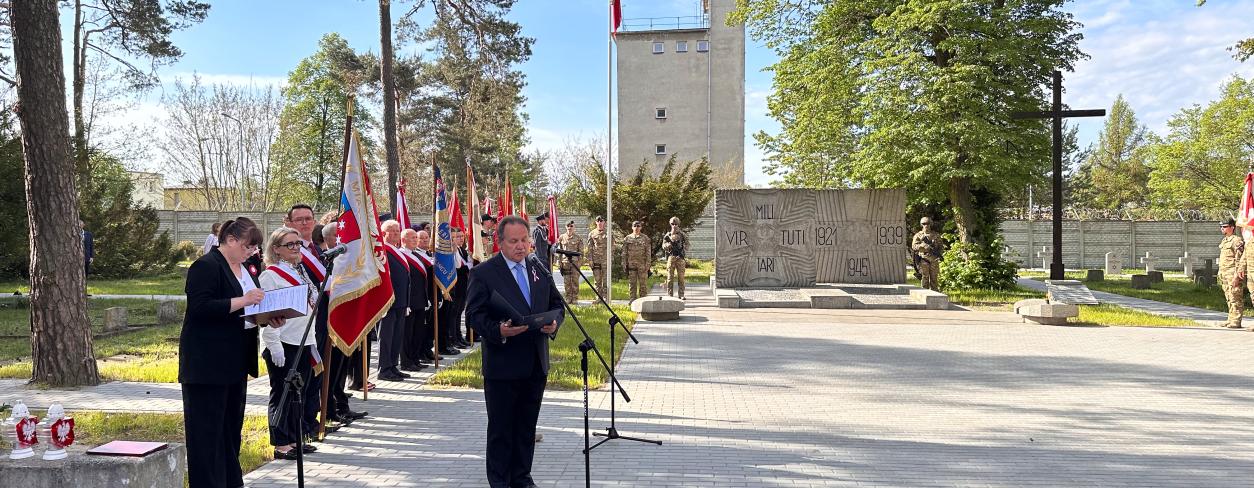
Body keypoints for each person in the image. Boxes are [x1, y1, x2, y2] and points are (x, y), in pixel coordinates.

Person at [179, 217, 281, 488]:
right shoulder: (206, 266)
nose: (252, 252)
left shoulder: (245, 269)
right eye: (248, 246)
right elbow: (200, 309)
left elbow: (244, 312)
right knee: (206, 435)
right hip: (207, 364)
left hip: (234, 362)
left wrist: (266, 316)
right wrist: (245, 300)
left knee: (229, 432)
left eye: (255, 248)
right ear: (231, 240)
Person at [465, 215, 563, 488]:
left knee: (526, 427)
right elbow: (473, 316)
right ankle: (499, 482)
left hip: (535, 363)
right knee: (501, 430)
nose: (521, 247)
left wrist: (554, 323)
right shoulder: (484, 273)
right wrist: (498, 330)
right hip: (503, 365)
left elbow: (557, 303)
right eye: (514, 241)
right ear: (500, 242)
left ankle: (522, 478)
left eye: (524, 240)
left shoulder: (538, 267)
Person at [258, 227, 321, 460]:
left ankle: (295, 439)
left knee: (298, 393)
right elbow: (268, 313)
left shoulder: (300, 271)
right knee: (282, 393)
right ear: (276, 249)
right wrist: (273, 345)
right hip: (283, 342)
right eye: (290, 245)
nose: (296, 248)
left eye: (297, 244)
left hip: (303, 340)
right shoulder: (271, 275)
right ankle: (281, 443)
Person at [319, 223, 369, 424]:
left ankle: (341, 405)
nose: (341, 238)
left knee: (342, 366)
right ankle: (330, 410)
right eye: (336, 235)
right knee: (332, 369)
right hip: (330, 320)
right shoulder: (324, 259)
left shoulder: (350, 258)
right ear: (328, 239)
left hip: (347, 318)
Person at [377, 220, 411, 381]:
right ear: (384, 234)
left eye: (398, 230)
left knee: (397, 335)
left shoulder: (396, 251)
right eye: (393, 231)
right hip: (388, 301)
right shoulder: (383, 251)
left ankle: (392, 365)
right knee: (386, 336)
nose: (397, 233)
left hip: (401, 300)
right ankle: (384, 368)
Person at [400, 228, 431, 371]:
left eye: (415, 237)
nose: (415, 240)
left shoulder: (416, 255)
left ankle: (415, 358)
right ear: (403, 239)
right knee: (408, 333)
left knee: (418, 332)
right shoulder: (401, 255)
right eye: (412, 237)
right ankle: (406, 362)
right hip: (410, 301)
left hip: (420, 300)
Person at [1222, 218, 1245, 329]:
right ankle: (1231, 318)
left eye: (1225, 226)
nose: (1222, 228)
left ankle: (1236, 320)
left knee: (1235, 296)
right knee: (1229, 297)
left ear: (1232, 227)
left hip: (1232, 273)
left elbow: (1239, 259)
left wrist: (1237, 274)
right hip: (1225, 273)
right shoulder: (1225, 240)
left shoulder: (1237, 240)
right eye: (1221, 227)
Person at [622, 221, 653, 301]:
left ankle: (642, 301)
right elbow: (624, 252)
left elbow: (648, 252)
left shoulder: (645, 238)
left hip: (642, 265)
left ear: (641, 227)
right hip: (631, 265)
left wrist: (648, 264)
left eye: (638, 226)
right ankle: (632, 300)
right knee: (632, 284)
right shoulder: (627, 238)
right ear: (632, 227)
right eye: (634, 226)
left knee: (643, 285)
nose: (636, 227)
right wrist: (624, 263)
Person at [661, 217, 689, 300]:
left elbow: (688, 244)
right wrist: (667, 246)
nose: (674, 225)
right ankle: (670, 295)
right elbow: (663, 245)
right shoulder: (667, 235)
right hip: (671, 257)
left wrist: (683, 248)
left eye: (676, 224)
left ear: (678, 224)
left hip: (680, 258)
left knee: (681, 278)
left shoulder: (682, 234)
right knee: (670, 277)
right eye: (672, 224)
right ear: (670, 224)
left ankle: (681, 294)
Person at [911, 217, 943, 291]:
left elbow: (941, 246)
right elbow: (914, 246)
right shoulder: (918, 235)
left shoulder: (936, 235)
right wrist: (922, 245)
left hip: (934, 259)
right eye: (924, 224)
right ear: (921, 225)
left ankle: (935, 293)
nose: (926, 225)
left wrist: (939, 254)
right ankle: (924, 293)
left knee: (934, 278)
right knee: (925, 278)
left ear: (930, 224)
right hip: (924, 259)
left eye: (928, 223)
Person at [557, 221, 583, 302]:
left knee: (575, 281)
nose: (569, 227)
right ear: (565, 227)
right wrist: (559, 262)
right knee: (567, 281)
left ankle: (575, 298)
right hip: (565, 263)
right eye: (568, 226)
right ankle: (568, 298)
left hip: (575, 263)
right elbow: (559, 251)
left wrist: (580, 262)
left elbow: (581, 252)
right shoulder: (561, 237)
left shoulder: (578, 238)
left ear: (574, 227)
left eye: (571, 226)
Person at [585, 216, 609, 296]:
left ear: (604, 222)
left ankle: (606, 297)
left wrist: (610, 258)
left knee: (606, 280)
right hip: (596, 260)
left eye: (601, 221)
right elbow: (589, 248)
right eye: (598, 221)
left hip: (606, 260)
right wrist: (590, 260)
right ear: (596, 222)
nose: (600, 222)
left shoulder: (608, 233)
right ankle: (598, 298)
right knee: (597, 280)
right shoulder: (592, 233)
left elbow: (612, 247)